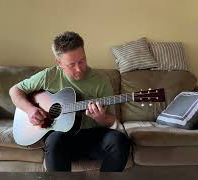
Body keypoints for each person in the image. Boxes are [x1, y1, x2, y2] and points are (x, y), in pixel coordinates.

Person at [9, 31, 130, 172]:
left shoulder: (101, 80)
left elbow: (111, 121)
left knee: (119, 141)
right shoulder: (49, 76)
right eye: (72, 64)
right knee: (54, 140)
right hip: (62, 140)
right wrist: (30, 109)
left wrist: (101, 118)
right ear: (59, 63)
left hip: (92, 137)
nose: (79, 69)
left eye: (82, 61)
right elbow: (14, 90)